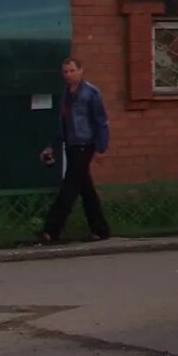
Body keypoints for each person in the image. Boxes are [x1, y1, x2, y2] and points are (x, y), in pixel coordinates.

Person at [41, 55, 112, 242]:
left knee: (70, 187)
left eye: (72, 71)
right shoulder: (66, 94)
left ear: (81, 71)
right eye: (65, 72)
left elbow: (101, 121)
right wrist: (52, 146)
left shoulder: (90, 93)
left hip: (84, 143)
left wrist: (101, 147)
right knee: (85, 188)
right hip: (71, 143)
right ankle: (101, 229)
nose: (69, 75)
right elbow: (62, 123)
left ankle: (51, 230)